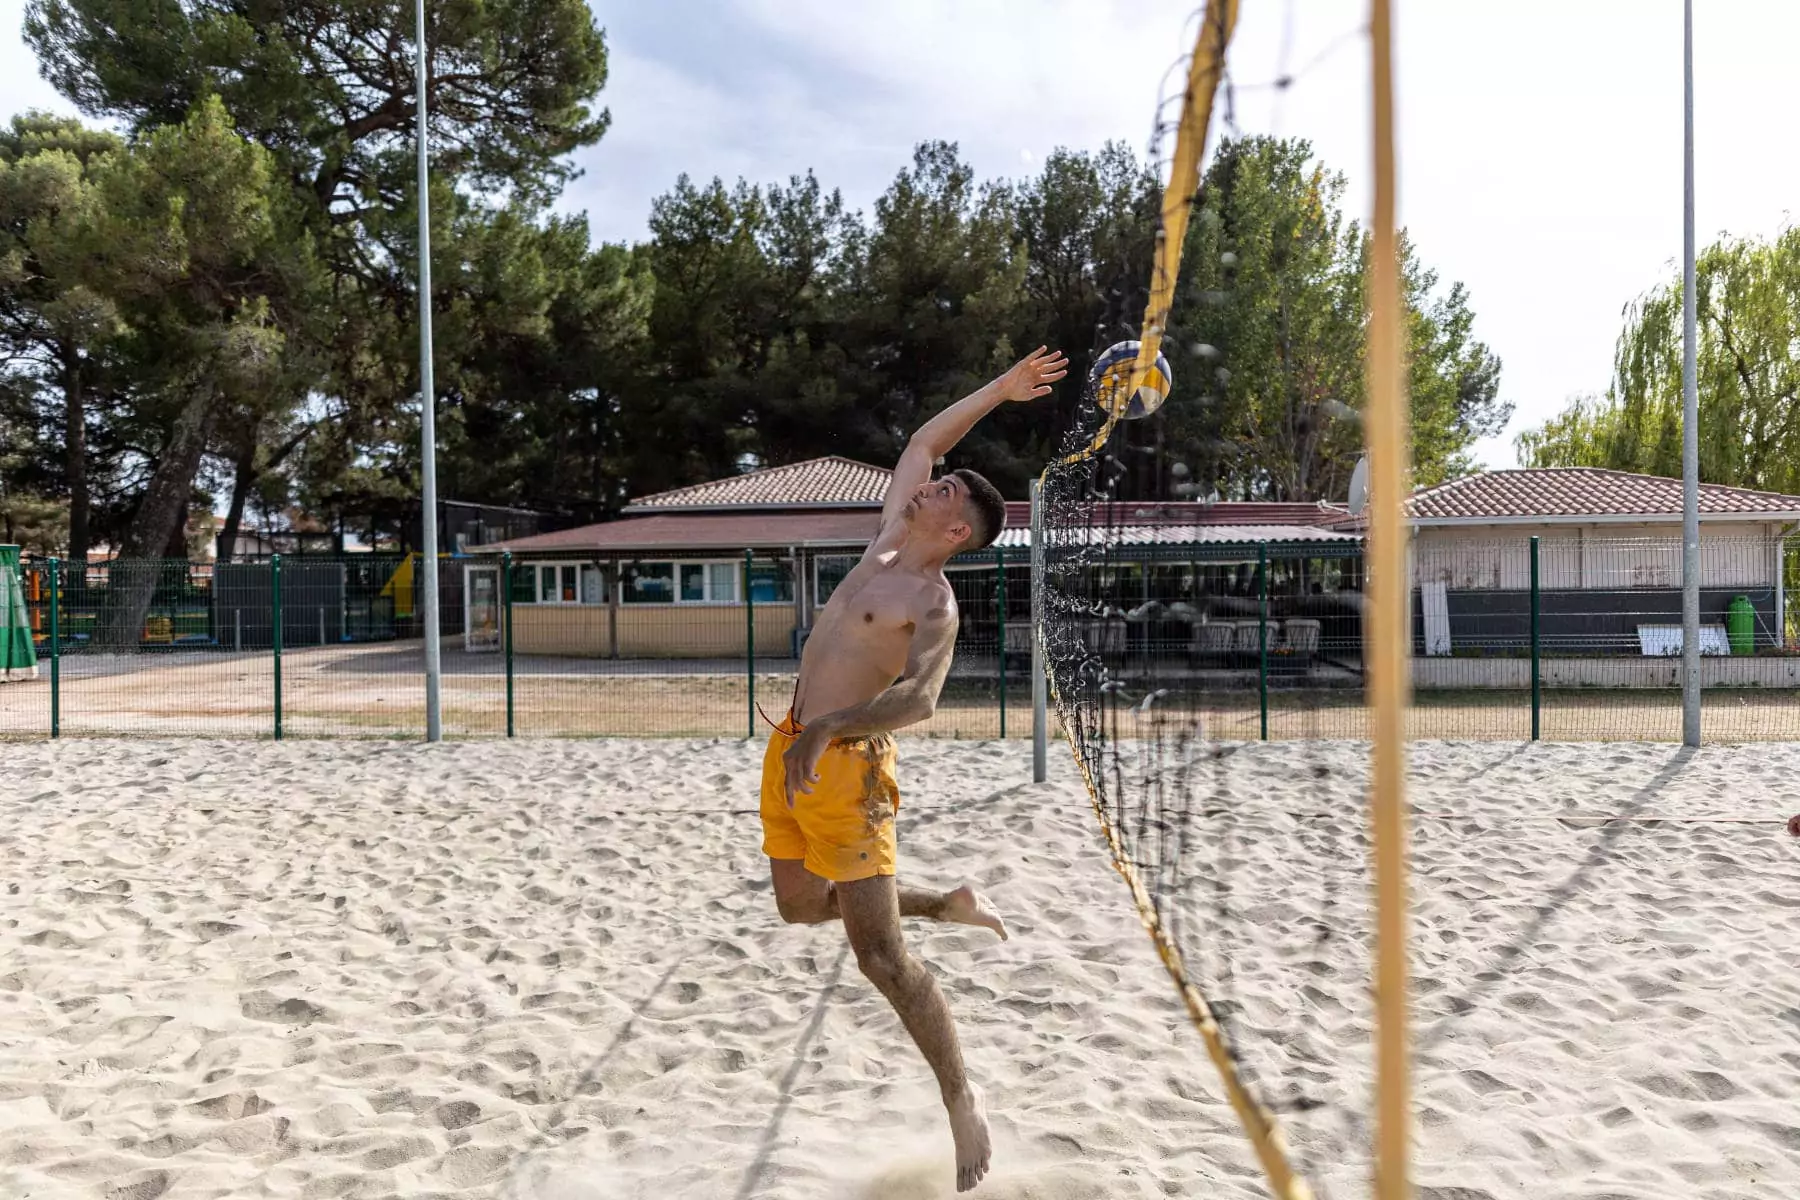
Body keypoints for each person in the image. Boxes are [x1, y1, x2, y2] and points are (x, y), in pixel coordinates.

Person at [759, 346, 1068, 1193]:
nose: (923, 484)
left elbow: (921, 702)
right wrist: (1001, 391)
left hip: (848, 770)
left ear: (956, 530)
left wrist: (831, 729)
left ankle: (963, 1101)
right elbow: (928, 441)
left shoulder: (934, 603)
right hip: (793, 745)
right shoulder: (891, 540)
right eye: (928, 486)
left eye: (939, 493)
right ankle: (948, 902)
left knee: (882, 960)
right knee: (795, 909)